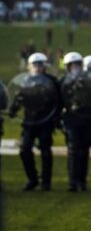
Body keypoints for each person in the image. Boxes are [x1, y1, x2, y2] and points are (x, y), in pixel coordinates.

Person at [8, 53, 60, 191]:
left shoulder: (52, 81)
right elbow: (19, 98)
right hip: (29, 121)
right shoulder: (25, 81)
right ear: (29, 67)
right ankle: (32, 179)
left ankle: (46, 182)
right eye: (35, 65)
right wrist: (13, 109)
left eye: (40, 65)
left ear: (45, 66)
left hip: (46, 121)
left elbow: (58, 102)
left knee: (45, 150)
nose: (37, 68)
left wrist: (56, 118)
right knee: (24, 150)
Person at [60, 51, 91, 191]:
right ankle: (73, 182)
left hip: (86, 119)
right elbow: (59, 100)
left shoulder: (89, 79)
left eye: (77, 64)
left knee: (84, 151)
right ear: (67, 67)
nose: (75, 67)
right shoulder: (63, 81)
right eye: (72, 65)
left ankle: (82, 180)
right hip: (71, 120)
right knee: (73, 150)